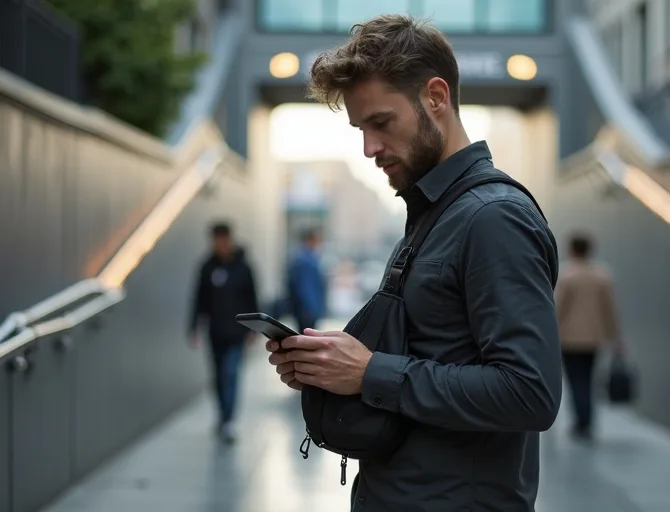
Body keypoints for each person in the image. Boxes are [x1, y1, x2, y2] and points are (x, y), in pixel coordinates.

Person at [265, 15, 562, 512]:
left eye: (381, 123)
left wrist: (370, 373)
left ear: (436, 97)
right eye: (361, 128)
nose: (369, 148)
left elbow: (530, 392)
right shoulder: (436, 212)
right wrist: (331, 368)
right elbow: (432, 352)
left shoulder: (492, 218)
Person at [188, 222, 258, 443]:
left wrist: (254, 328)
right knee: (218, 377)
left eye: (223, 240)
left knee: (231, 374)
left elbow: (252, 298)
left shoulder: (243, 267)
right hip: (215, 332)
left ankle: (228, 420)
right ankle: (222, 416)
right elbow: (198, 299)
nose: (220, 244)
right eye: (216, 240)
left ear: (229, 239)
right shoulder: (207, 267)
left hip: (237, 333)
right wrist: (193, 327)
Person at [555, 233, 624, 440]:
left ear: (572, 249)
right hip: (594, 338)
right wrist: (616, 339)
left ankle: (581, 422)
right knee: (588, 378)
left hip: (569, 338)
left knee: (576, 380)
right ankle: (587, 420)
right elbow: (610, 310)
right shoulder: (602, 275)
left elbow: (558, 309)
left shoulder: (567, 276)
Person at [287, 229, 326, 332]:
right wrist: (309, 309)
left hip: (307, 308)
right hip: (307, 310)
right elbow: (305, 288)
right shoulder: (305, 260)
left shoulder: (303, 257)